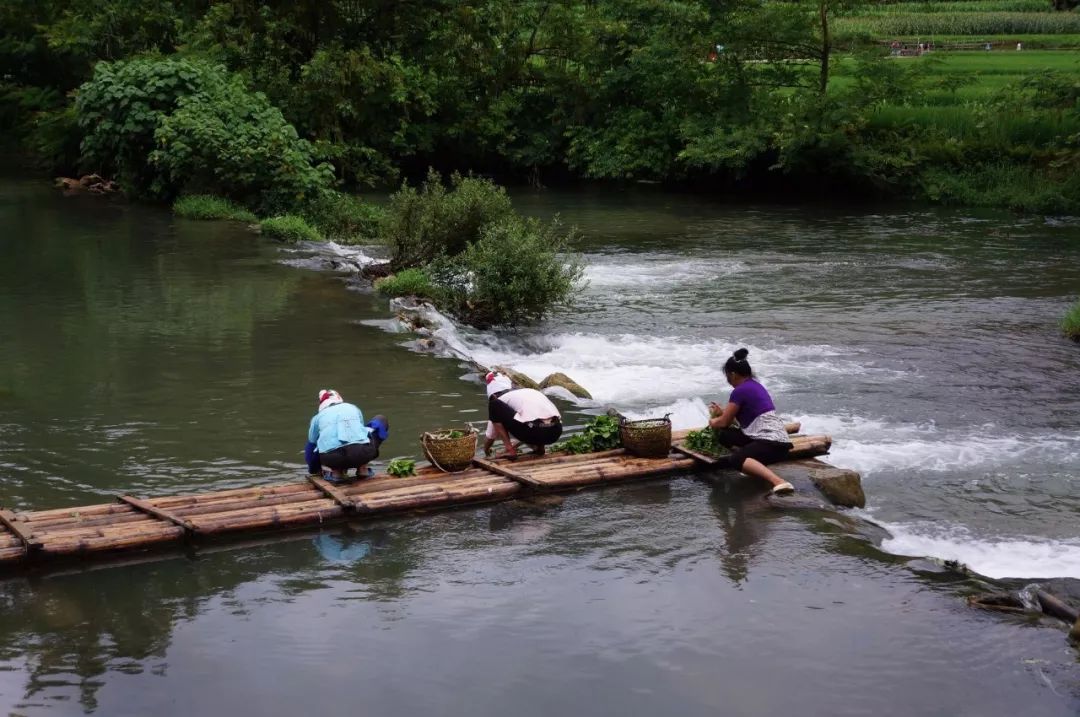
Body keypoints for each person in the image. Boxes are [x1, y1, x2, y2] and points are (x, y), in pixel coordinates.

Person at [707, 349, 795, 495]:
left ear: (733, 374)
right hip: (772, 440)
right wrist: (722, 413)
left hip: (773, 443)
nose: (728, 380)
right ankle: (751, 465)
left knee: (736, 459)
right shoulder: (755, 386)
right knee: (725, 436)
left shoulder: (740, 391)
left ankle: (778, 482)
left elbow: (723, 423)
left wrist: (712, 421)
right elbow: (735, 420)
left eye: (727, 376)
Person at [304, 389, 389, 481]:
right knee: (380, 420)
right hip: (362, 454)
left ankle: (337, 474)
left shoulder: (317, 418)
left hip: (333, 459)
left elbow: (310, 448)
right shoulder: (353, 408)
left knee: (319, 444)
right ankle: (362, 469)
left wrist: (314, 470)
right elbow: (362, 434)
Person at [482, 372, 562, 460]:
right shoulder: (527, 392)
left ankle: (510, 450)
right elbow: (533, 421)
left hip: (535, 431)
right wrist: (516, 444)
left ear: (493, 395)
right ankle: (540, 448)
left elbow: (490, 436)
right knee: (533, 419)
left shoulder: (499, 400)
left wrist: (486, 450)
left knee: (494, 405)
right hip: (555, 431)